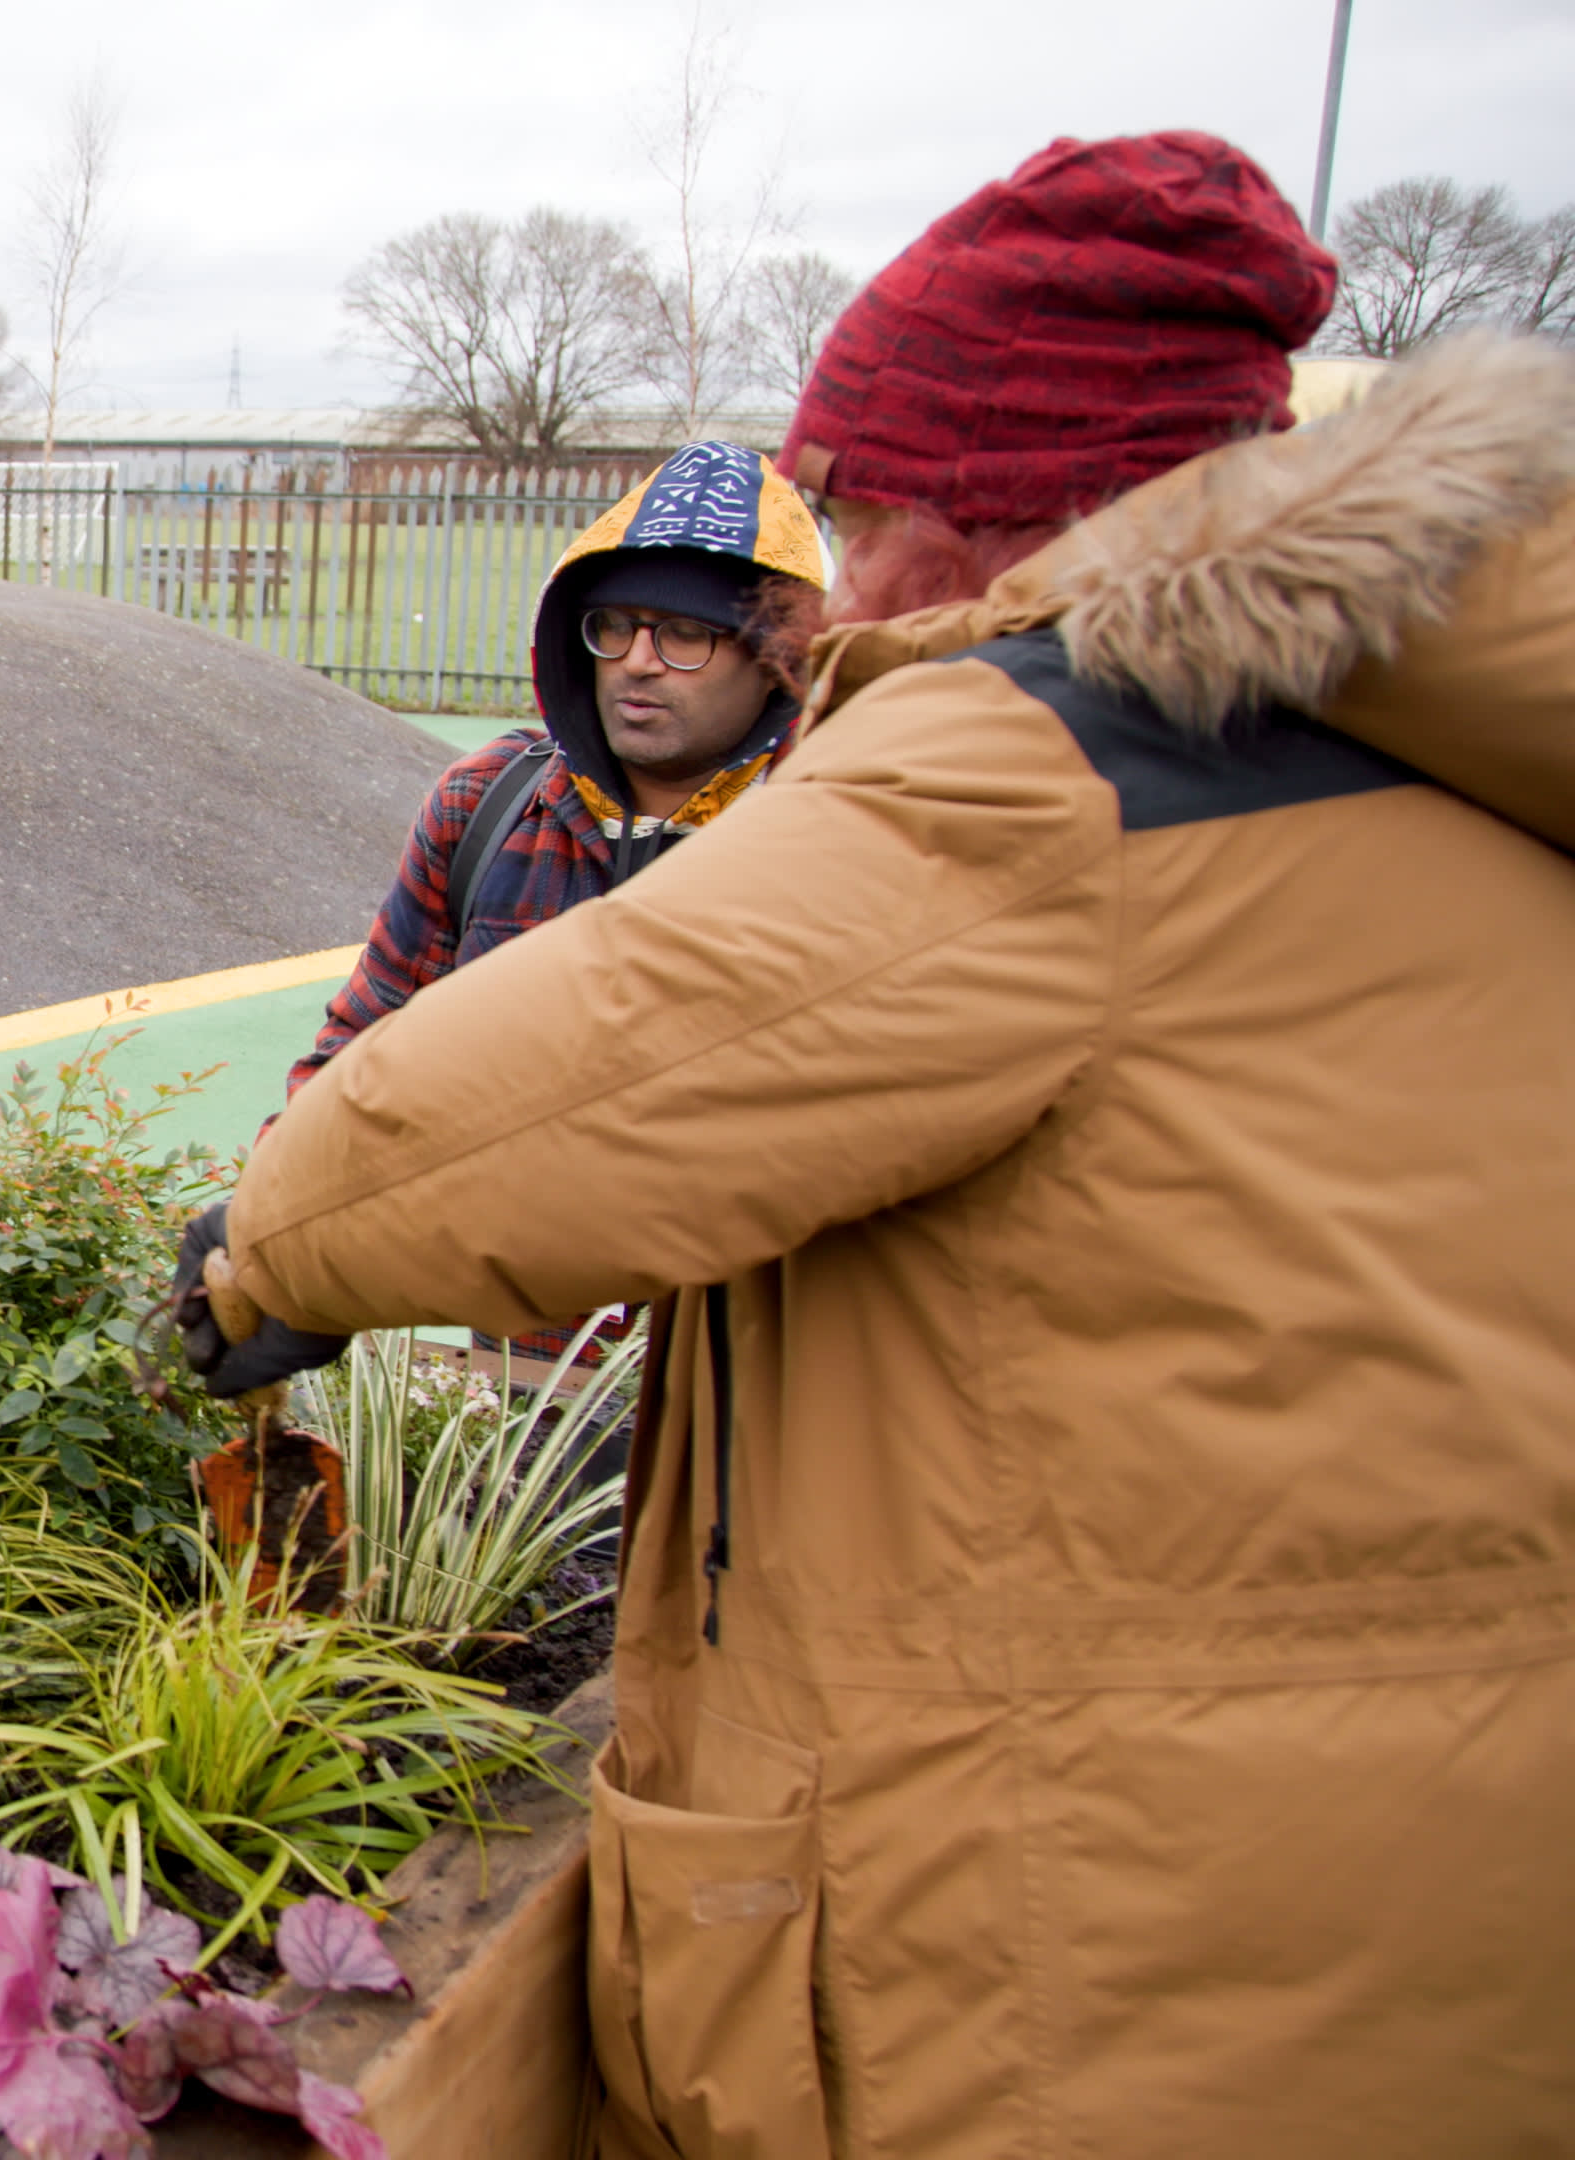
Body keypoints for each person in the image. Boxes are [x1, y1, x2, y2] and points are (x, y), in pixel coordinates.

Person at [192, 133, 1575, 2152]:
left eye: (851, 520)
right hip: (1422, 1857)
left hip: (1110, 1925)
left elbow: (543, 1104)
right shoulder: (1435, 765)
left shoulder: (1050, 757)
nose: (845, 593)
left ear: (986, 519)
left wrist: (259, 1250)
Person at [247, 443, 829, 1389]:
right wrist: (260, 1241)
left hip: (750, 1398)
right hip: (515, 1376)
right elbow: (363, 1048)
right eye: (617, 626)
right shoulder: (489, 802)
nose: (640, 664)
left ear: (776, 661)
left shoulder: (830, 833)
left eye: (686, 634)